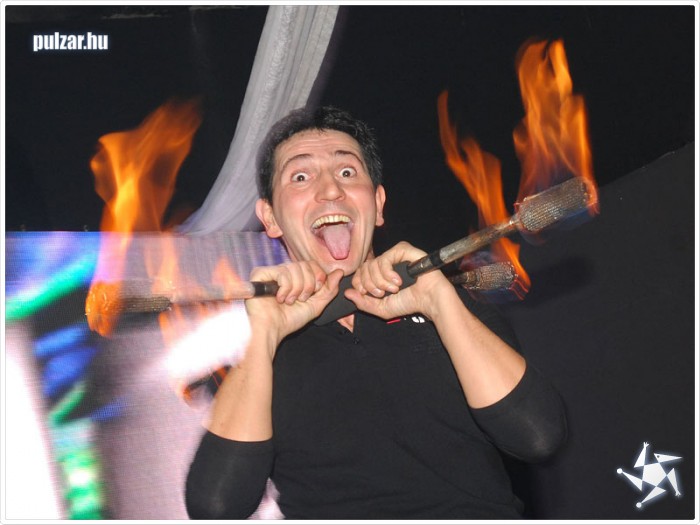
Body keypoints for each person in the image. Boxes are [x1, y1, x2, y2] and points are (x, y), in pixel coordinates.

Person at [185, 106, 567, 519]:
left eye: (347, 172)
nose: (330, 190)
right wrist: (263, 335)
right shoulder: (257, 360)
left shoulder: (452, 307)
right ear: (271, 218)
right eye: (301, 177)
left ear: (379, 204)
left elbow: (539, 435)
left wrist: (439, 302)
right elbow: (216, 507)